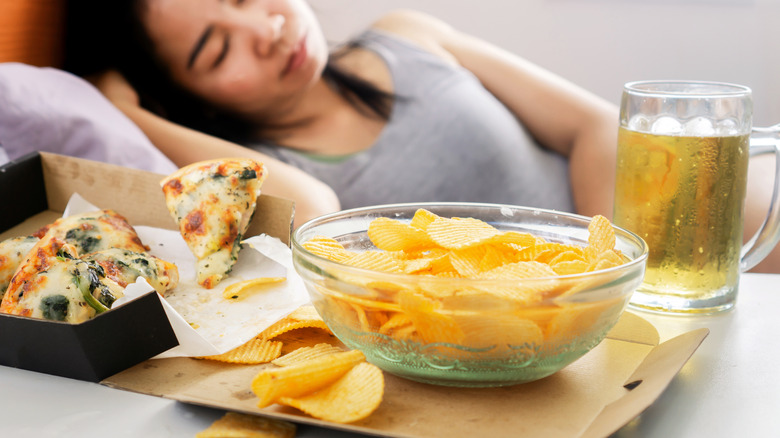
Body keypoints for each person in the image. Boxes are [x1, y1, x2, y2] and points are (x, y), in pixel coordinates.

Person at [65, 1, 779, 272]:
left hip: (676, 235)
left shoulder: (407, 35)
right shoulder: (271, 170)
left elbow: (589, 125)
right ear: (185, 96)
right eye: (217, 53)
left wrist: (614, 265)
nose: (264, 30)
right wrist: (131, 113)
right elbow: (316, 210)